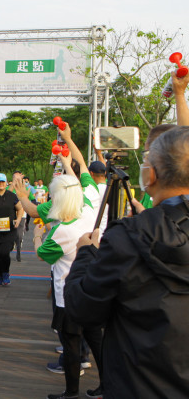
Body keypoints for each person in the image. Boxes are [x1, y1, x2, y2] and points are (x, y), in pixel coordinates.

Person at [65, 126, 189, 398]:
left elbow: (83, 308)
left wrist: (86, 253)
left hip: (138, 383)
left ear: (150, 174)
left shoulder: (129, 236)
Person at [24, 158, 103, 399]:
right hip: (91, 291)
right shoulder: (88, 211)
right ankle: (107, 384)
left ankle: (71, 392)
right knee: (97, 342)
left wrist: (37, 235)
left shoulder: (62, 231)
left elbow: (41, 255)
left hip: (67, 295)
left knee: (70, 345)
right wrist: (69, 161)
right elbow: (80, 181)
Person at [8, 171, 34, 262]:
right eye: (15, 178)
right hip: (10, 215)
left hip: (22, 215)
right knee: (10, 234)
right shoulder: (9, 188)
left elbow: (32, 199)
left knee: (19, 235)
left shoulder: (24, 188)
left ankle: (18, 252)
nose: (17, 179)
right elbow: (6, 194)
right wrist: (14, 183)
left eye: (19, 178)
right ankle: (11, 245)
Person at [88, 160, 108, 237]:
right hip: (107, 232)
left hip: (96, 233)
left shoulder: (94, 190)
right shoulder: (110, 188)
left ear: (91, 173)